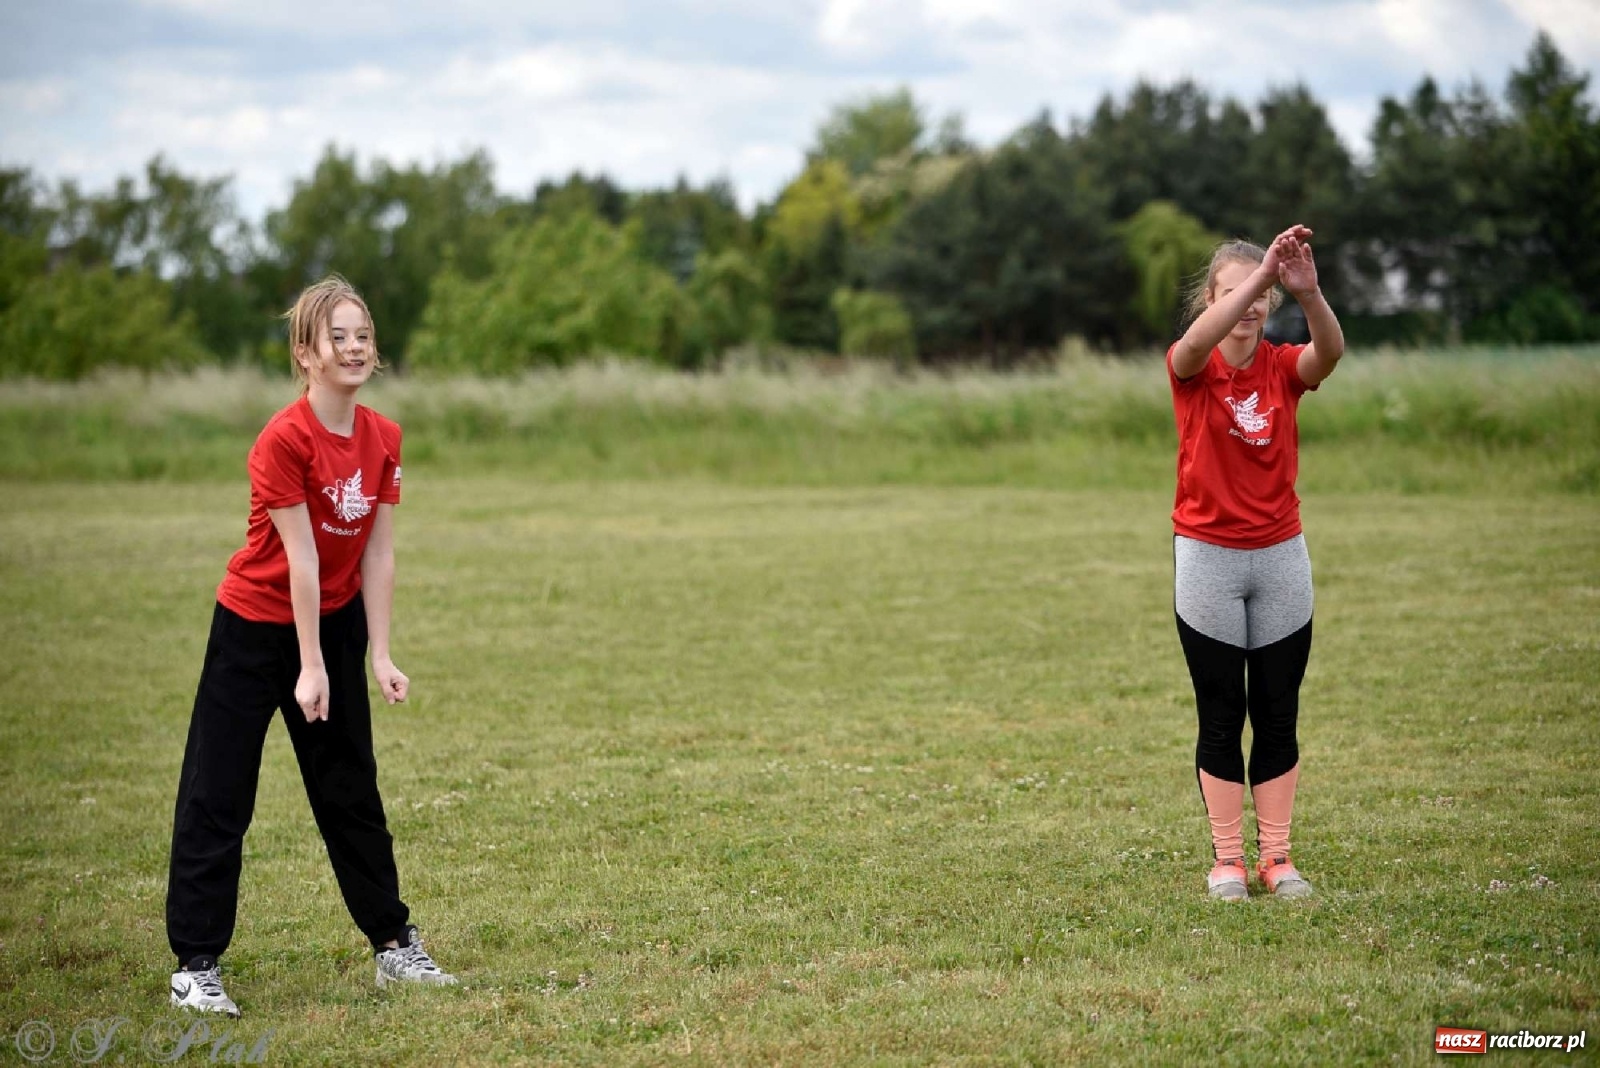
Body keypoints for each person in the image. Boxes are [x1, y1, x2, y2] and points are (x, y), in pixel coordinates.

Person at [165, 276, 454, 1016]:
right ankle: (196, 966)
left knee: (350, 788)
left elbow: (376, 556)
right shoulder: (283, 439)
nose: (355, 347)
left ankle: (394, 946)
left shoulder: (383, 437)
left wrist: (378, 654)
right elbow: (301, 559)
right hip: (256, 626)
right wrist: (311, 667)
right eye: (339, 337)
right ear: (306, 354)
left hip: (334, 620)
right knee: (219, 792)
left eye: (363, 335)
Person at [1167, 226, 1345, 902]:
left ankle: (1278, 860)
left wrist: (1307, 292)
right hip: (1208, 559)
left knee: (1277, 710)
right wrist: (1260, 270)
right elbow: (1191, 345)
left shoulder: (1280, 367)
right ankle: (1228, 863)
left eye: (1262, 293)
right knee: (1221, 712)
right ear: (1212, 297)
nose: (1251, 303)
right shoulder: (1192, 367)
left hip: (1279, 558)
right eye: (1237, 289)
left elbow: (1328, 354)